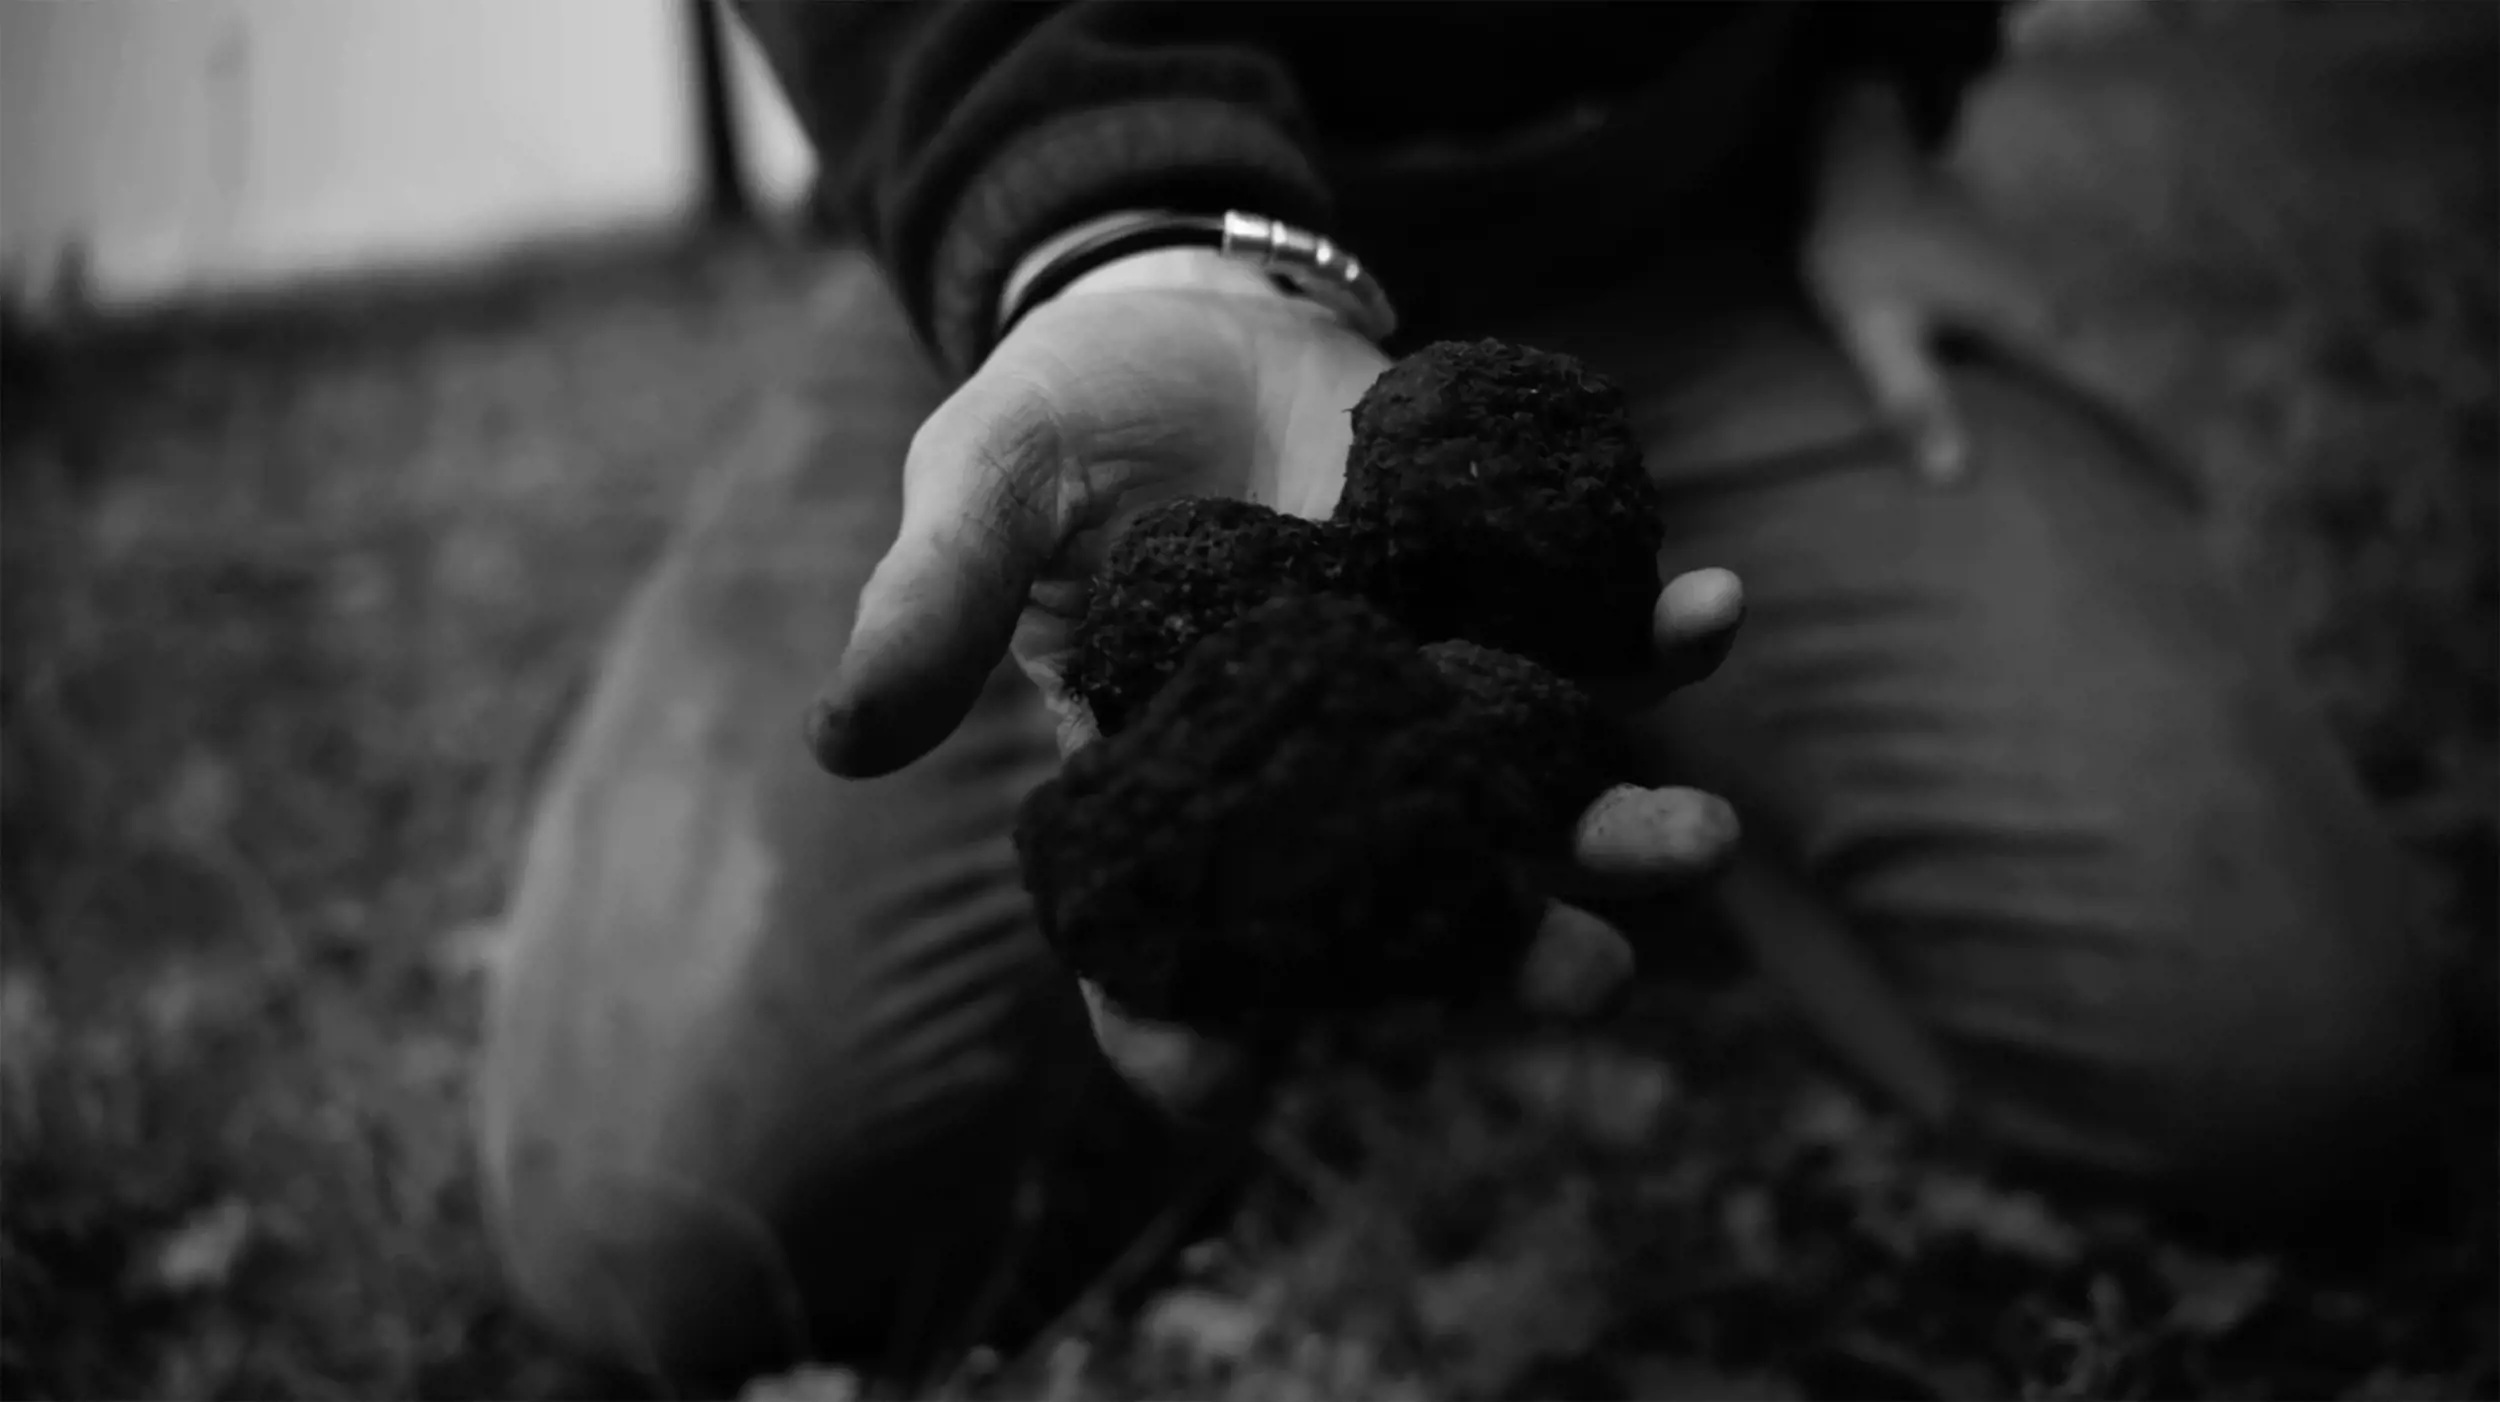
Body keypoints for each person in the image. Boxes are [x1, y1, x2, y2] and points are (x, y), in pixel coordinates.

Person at [472, 2, 2454, 1390]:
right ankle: (1391, 866)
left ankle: (1632, 749)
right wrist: (1101, 226)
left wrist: (1878, 91)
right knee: (654, 1216)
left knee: (2290, 1045)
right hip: (1074, 248)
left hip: (1694, 231)